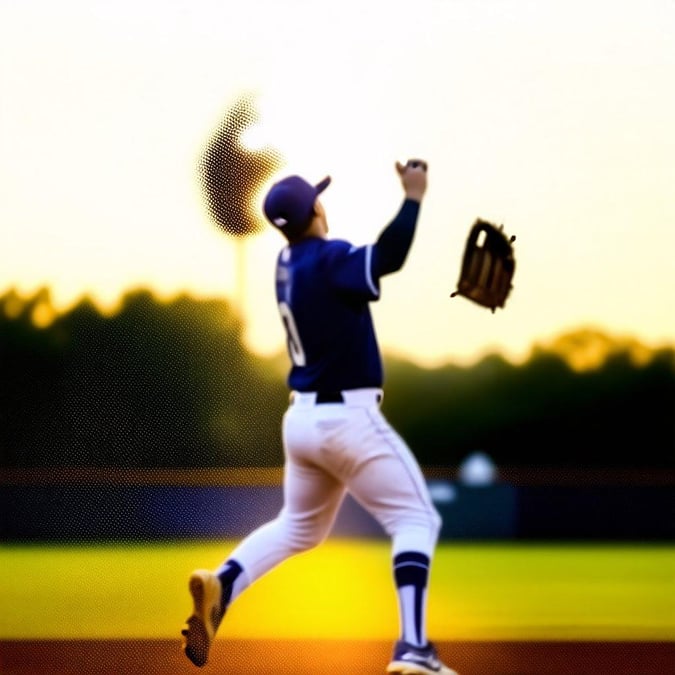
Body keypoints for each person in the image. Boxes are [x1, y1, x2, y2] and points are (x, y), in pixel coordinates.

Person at [181, 160, 458, 675]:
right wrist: (413, 196)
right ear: (315, 210)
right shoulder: (328, 259)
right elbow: (389, 257)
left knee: (298, 528)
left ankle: (224, 582)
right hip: (347, 419)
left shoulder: (286, 265)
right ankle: (414, 650)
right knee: (416, 518)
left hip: (303, 423)